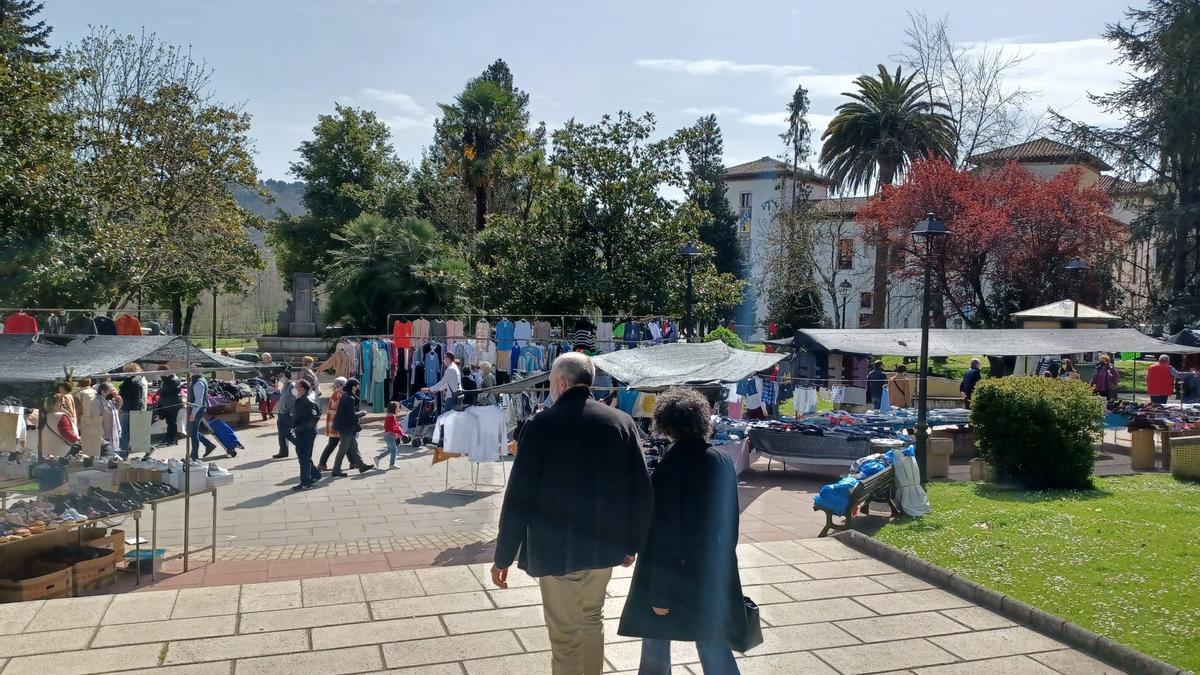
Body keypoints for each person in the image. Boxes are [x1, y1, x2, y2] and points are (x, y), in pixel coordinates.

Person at [492, 353, 653, 675]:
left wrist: (503, 556)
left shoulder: (541, 425)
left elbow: (518, 497)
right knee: (592, 619)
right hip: (605, 545)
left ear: (561, 382)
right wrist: (632, 544)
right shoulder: (620, 422)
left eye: (551, 382)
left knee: (565, 635)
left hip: (557, 548)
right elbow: (642, 490)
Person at [618, 387, 747, 675]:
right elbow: (730, 523)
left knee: (656, 642)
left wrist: (659, 593)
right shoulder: (722, 459)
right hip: (713, 569)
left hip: (672, 574)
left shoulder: (670, 467)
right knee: (713, 642)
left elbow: (664, 533)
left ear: (665, 424)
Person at [331, 378, 372, 476]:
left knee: (354, 447)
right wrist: (362, 413)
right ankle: (336, 470)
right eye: (357, 387)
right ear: (353, 387)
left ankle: (361, 465)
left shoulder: (347, 396)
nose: (358, 389)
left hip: (346, 426)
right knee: (343, 449)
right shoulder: (349, 398)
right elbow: (352, 415)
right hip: (346, 427)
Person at [290, 379, 322, 490]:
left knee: (303, 457)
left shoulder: (305, 400)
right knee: (305, 455)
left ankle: (305, 482)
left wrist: (298, 428)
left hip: (304, 431)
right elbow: (318, 414)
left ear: (302, 389)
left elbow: (311, 419)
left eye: (297, 388)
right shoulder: (312, 395)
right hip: (308, 430)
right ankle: (315, 474)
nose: (295, 390)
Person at [187, 365, 219, 459]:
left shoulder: (198, 382)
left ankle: (194, 455)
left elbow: (198, 400)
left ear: (200, 370)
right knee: (192, 431)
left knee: (193, 432)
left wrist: (193, 413)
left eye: (194, 367)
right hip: (198, 408)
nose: (191, 369)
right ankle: (208, 445)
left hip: (197, 409)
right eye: (191, 367)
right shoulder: (198, 380)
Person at [317, 376, 346, 472]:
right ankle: (322, 463)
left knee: (343, 443)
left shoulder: (336, 393)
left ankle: (354, 462)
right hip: (336, 422)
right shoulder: (339, 394)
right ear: (341, 385)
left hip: (333, 422)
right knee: (333, 443)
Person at [118, 363, 148, 453]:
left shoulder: (130, 381)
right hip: (137, 408)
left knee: (125, 432)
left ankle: (124, 451)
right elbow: (143, 397)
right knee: (136, 431)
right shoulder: (141, 380)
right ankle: (146, 449)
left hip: (127, 408)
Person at [156, 365, 183, 445]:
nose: (160, 375)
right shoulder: (170, 379)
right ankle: (168, 437)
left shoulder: (173, 380)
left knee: (172, 422)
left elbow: (166, 391)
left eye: (161, 373)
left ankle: (173, 438)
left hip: (172, 404)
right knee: (169, 422)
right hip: (169, 403)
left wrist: (159, 391)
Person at [274, 368, 297, 459]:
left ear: (285, 376)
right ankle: (283, 451)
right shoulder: (284, 385)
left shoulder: (292, 385)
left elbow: (297, 397)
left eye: (281, 376)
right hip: (281, 413)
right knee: (281, 434)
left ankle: (301, 446)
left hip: (288, 414)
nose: (280, 378)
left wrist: (291, 410)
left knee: (287, 433)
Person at [94, 382, 122, 456]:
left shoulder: (108, 399)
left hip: (112, 430)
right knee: (107, 454)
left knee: (113, 452)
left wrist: (119, 401)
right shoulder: (96, 401)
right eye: (111, 391)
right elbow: (96, 419)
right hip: (104, 433)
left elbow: (115, 410)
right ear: (103, 392)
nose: (113, 393)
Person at [374, 401, 403, 469]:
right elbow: (393, 427)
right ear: (394, 409)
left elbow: (391, 426)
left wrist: (396, 433)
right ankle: (392, 464)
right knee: (394, 450)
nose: (398, 409)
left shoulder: (389, 415)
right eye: (397, 408)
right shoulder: (392, 416)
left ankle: (377, 458)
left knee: (390, 450)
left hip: (387, 435)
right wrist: (399, 433)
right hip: (389, 435)